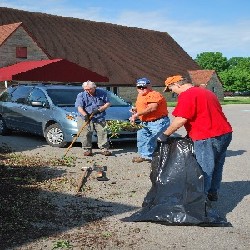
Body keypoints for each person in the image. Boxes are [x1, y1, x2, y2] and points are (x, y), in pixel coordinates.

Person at [157, 75, 233, 201]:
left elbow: (181, 119)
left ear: (178, 85)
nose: (172, 93)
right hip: (224, 133)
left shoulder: (187, 95)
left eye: (171, 89)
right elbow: (203, 113)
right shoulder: (206, 92)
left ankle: (200, 201)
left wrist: (165, 135)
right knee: (217, 165)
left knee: (204, 169)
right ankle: (212, 193)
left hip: (206, 136)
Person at [129, 77, 170, 163]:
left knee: (152, 139)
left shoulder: (154, 94)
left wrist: (137, 115)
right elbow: (143, 106)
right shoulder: (140, 95)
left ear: (149, 86)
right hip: (145, 122)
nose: (141, 89)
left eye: (144, 87)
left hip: (158, 122)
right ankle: (145, 156)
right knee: (142, 138)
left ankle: (160, 158)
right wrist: (136, 109)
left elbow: (152, 108)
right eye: (139, 87)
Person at [75, 80, 112, 156]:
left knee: (102, 133)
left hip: (99, 117)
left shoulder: (102, 93)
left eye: (89, 89)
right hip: (84, 117)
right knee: (85, 134)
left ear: (94, 87)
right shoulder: (81, 95)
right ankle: (87, 149)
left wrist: (99, 110)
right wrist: (85, 115)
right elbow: (79, 107)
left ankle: (104, 149)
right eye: (86, 89)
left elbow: (108, 103)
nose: (87, 91)